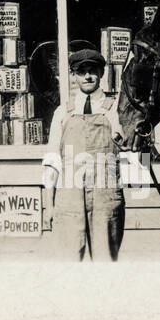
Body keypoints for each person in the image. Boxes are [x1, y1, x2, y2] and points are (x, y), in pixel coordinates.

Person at [41, 48, 127, 261]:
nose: (88, 76)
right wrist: (48, 205)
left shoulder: (115, 109)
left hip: (105, 194)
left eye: (93, 70)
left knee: (105, 262)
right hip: (68, 195)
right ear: (73, 75)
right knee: (69, 263)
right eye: (81, 71)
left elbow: (129, 152)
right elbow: (52, 160)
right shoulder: (63, 112)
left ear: (101, 73)